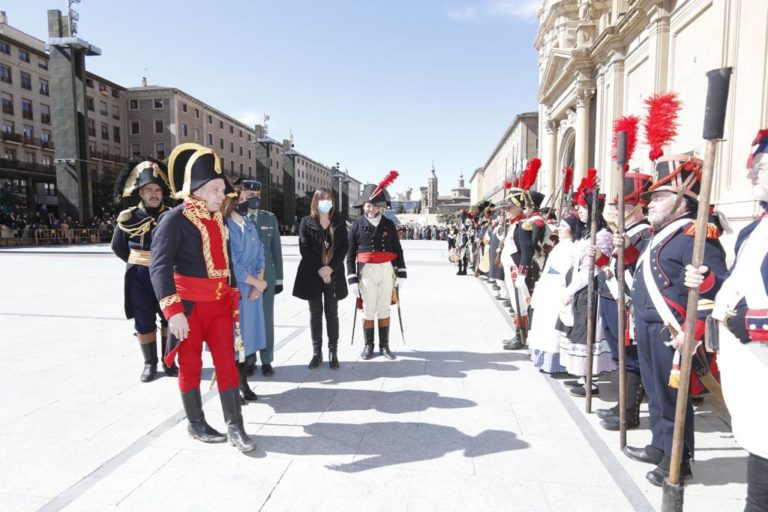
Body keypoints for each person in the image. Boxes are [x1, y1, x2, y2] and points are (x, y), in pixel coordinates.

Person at [623, 155, 727, 485]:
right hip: (648, 327)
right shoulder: (663, 233)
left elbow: (715, 289)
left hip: (674, 332)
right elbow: (644, 271)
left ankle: (679, 461)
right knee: (655, 392)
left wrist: (692, 331)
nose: (650, 203)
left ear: (683, 201)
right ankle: (659, 445)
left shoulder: (698, 235)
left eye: (659, 197)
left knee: (672, 397)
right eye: (651, 197)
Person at [150, 143, 255, 453]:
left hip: (221, 306)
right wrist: (173, 312)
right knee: (191, 366)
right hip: (190, 308)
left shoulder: (217, 219)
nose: (223, 195)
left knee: (228, 363)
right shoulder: (174, 219)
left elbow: (226, 264)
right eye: (216, 189)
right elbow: (159, 268)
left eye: (223, 189)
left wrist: (233, 294)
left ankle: (236, 426)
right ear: (197, 189)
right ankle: (195, 423)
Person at [686, 129, 768, 509]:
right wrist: (705, 281)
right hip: (753, 376)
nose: (750, 174)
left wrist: (754, 322)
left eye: (761, 166)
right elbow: (738, 283)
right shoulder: (755, 227)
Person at [594, 173, 653, 430]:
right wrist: (599, 260)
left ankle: (629, 412)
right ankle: (623, 405)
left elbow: (640, 269)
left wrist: (626, 249)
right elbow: (615, 268)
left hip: (627, 303)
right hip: (611, 297)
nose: (617, 213)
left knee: (632, 359)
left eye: (624, 208)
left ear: (638, 209)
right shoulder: (627, 233)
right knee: (622, 357)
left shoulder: (645, 233)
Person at [111, 157, 177, 382]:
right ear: (140, 192)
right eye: (148, 189)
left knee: (170, 316)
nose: (153, 194)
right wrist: (138, 262)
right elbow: (118, 246)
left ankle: (170, 360)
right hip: (138, 276)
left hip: (167, 276)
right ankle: (150, 364)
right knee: (143, 319)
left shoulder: (173, 215)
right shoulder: (128, 217)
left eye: (157, 189)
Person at [346, 173, 406, 360]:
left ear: (380, 207)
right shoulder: (356, 226)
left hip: (386, 270)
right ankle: (368, 345)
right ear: (363, 206)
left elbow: (398, 249)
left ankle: (385, 346)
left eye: (373, 206)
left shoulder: (388, 224)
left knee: (384, 308)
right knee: (369, 309)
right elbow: (350, 254)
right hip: (366, 271)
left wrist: (402, 272)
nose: (370, 209)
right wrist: (352, 279)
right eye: (367, 205)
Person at [293, 188, 349, 369]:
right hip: (312, 274)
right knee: (315, 314)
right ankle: (317, 352)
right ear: (316, 201)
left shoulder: (339, 222)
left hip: (334, 274)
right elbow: (304, 248)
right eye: (322, 198)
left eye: (329, 198)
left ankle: (333, 351)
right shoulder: (306, 222)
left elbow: (344, 248)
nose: (326, 201)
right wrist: (320, 269)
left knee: (332, 313)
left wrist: (330, 268)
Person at [224, 181, 268, 403]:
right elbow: (231, 263)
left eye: (247, 197)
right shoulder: (224, 225)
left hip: (253, 290)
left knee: (246, 341)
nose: (244, 201)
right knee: (233, 341)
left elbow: (260, 251)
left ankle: (242, 383)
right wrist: (255, 283)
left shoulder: (249, 224)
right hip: (235, 290)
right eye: (240, 197)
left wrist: (260, 281)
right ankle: (232, 386)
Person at [238, 180, 283, 377]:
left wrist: (279, 279)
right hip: (246, 277)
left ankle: (266, 360)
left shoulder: (269, 218)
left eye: (256, 195)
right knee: (247, 319)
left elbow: (276, 250)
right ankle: (249, 360)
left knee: (266, 318)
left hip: (268, 276)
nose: (253, 198)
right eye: (249, 195)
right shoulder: (237, 217)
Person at [500, 190, 533, 350]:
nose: (507, 210)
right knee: (515, 303)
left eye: (510, 207)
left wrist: (522, 272)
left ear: (519, 208)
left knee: (520, 304)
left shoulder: (522, 226)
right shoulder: (514, 224)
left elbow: (527, 251)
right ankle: (518, 334)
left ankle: (521, 337)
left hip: (516, 270)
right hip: (510, 268)